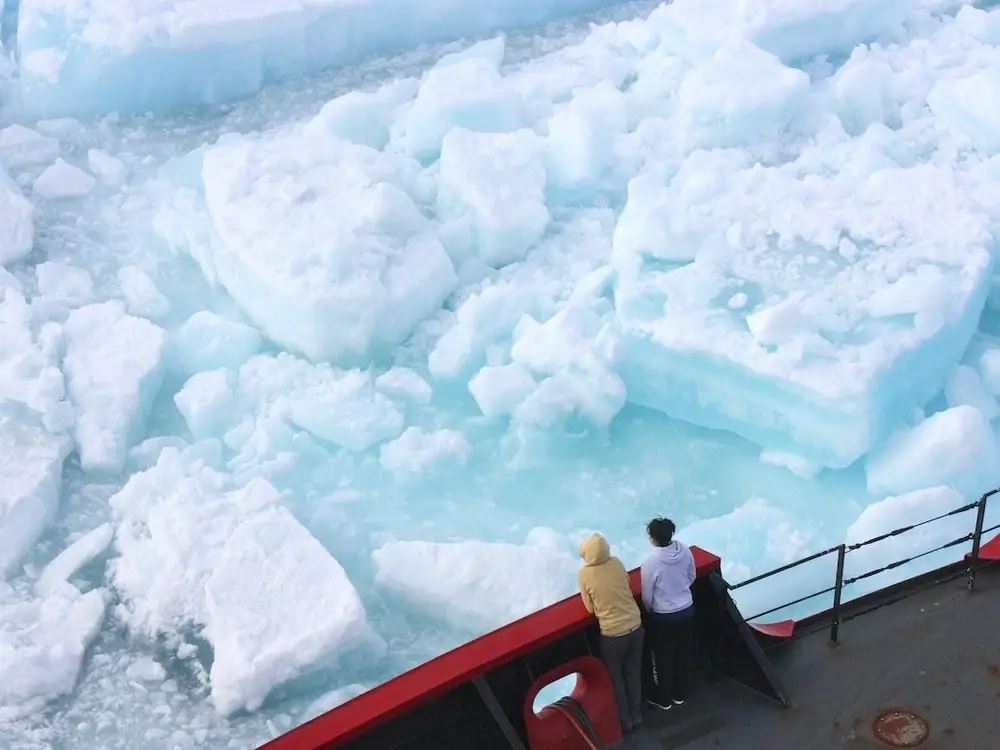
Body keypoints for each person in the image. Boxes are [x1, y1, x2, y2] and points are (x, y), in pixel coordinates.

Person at [578, 533, 645, 733]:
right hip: (635, 626)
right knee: (633, 673)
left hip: (613, 634)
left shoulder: (584, 574)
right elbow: (627, 584)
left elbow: (590, 608)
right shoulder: (616, 563)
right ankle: (637, 714)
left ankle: (626, 721)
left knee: (616, 679)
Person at [641, 517, 696, 711]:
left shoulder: (650, 563)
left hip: (664, 616)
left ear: (653, 538)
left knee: (663, 657)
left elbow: (647, 595)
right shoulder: (685, 551)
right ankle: (680, 694)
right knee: (683, 652)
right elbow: (692, 576)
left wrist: (652, 610)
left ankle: (664, 699)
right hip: (687, 609)